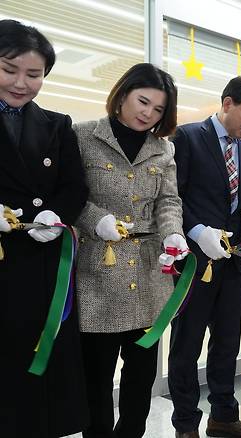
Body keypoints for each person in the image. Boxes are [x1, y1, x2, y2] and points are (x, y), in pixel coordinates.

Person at [74, 63, 187, 437]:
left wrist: (173, 233)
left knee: (141, 376)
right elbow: (70, 195)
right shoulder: (82, 135)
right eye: (143, 102)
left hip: (148, 271)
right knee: (97, 376)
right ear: (122, 95)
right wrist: (95, 220)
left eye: (158, 110)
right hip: (98, 270)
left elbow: (169, 201)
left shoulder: (163, 149)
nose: (147, 114)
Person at [0, 19, 89, 437]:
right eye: (8, 69)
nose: (21, 83)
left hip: (42, 263)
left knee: (39, 375)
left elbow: (75, 186)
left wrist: (57, 215)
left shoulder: (56, 124)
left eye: (33, 75)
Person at [169, 75, 241, 438]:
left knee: (227, 341)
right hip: (194, 262)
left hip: (231, 263)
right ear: (227, 103)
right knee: (187, 343)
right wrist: (195, 231)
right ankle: (185, 425)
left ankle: (223, 417)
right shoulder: (187, 137)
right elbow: (172, 198)